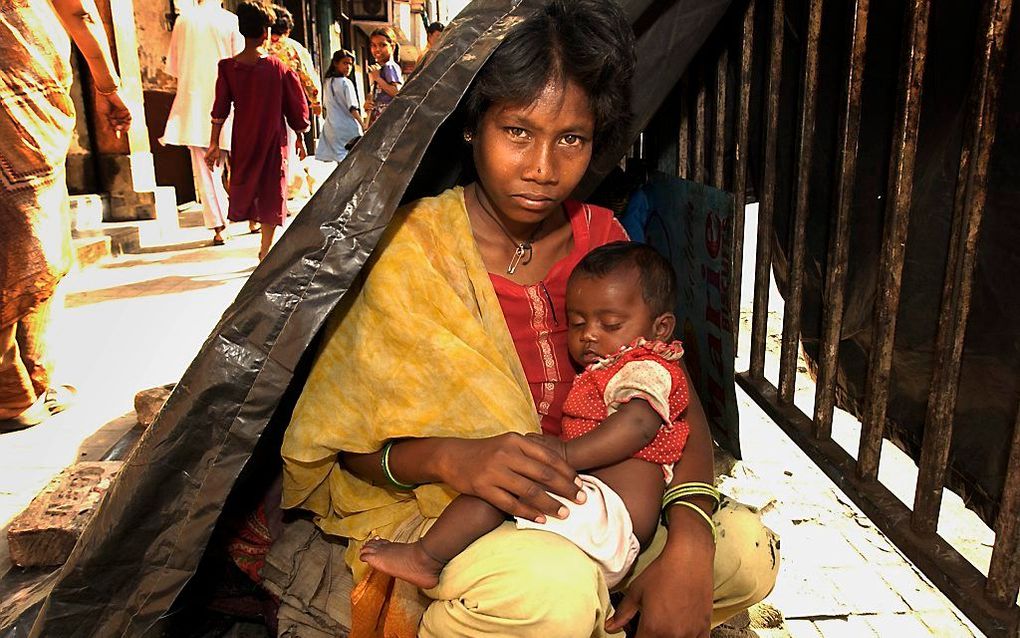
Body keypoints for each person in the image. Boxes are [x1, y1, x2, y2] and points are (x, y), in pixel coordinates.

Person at [280, 1, 779, 636]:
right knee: (550, 590)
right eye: (517, 131)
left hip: (595, 507)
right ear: (472, 127)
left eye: (571, 137)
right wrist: (449, 458)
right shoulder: (411, 251)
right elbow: (344, 452)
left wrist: (689, 539)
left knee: (739, 551)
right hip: (449, 510)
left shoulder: (605, 242)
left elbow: (674, 400)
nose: (544, 168)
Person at [360, 241, 695, 592]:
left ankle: (425, 559)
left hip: (607, 519)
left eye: (610, 324)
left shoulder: (645, 367)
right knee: (507, 480)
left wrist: (565, 455)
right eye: (577, 323)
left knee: (500, 487)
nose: (590, 334)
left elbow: (638, 426)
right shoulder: (615, 367)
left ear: (661, 328)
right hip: (599, 520)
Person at [0, 0, 130, 431]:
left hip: (21, 107)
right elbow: (80, 12)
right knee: (29, 237)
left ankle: (27, 379)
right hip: (21, 109)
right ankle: (15, 391)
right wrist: (108, 88)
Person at [205, 1, 309, 261]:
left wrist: (214, 143)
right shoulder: (279, 69)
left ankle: (258, 233)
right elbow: (296, 107)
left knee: (248, 181)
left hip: (244, 138)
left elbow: (219, 109)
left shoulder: (227, 68)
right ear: (266, 32)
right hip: (273, 139)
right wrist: (301, 136)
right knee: (272, 187)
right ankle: (266, 247)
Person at [159, 0, 243, 245]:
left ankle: (219, 226)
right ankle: (253, 216)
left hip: (194, 102)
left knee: (206, 169)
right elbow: (240, 62)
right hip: (229, 100)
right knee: (242, 160)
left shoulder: (183, 20)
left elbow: (174, 67)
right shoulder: (229, 20)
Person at [266, 4, 319, 199]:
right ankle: (281, 196)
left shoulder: (259, 47)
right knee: (285, 153)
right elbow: (307, 77)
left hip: (259, 107)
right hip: (286, 107)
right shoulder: (293, 48)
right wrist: (315, 101)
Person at [316, 49, 363, 164]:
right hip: (348, 128)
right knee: (352, 161)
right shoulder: (346, 83)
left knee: (340, 160)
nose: (348, 67)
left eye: (350, 64)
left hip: (331, 127)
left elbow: (325, 105)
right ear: (336, 63)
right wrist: (363, 125)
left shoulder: (327, 82)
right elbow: (352, 108)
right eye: (345, 63)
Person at [363, 26, 402, 128]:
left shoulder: (390, 66)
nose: (377, 49)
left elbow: (397, 92)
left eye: (382, 45)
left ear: (392, 47)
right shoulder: (379, 68)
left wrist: (378, 79)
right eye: (373, 45)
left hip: (389, 122)